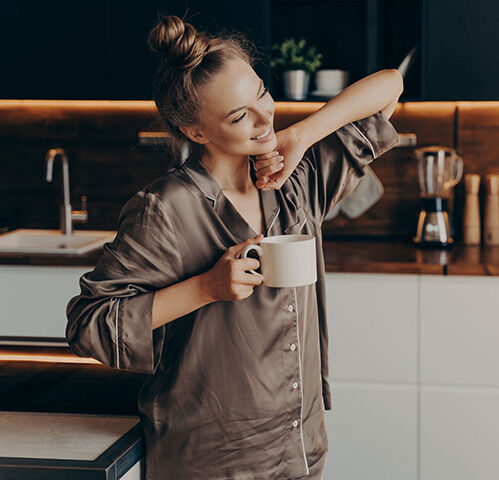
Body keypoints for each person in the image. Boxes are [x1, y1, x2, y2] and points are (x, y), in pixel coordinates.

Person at [64, 13, 402, 480]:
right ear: (195, 131)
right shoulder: (166, 208)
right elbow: (89, 325)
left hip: (300, 448)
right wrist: (206, 287)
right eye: (240, 115)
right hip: (211, 460)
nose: (265, 118)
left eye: (262, 92)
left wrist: (302, 134)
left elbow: (389, 86)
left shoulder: (295, 179)